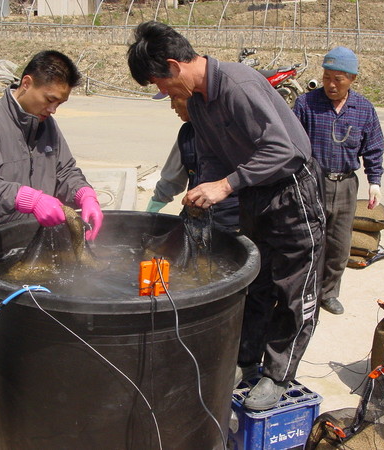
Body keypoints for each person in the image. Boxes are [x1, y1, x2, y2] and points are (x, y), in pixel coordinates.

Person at [128, 21, 325, 411]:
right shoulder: (199, 103)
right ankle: (247, 359)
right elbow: (213, 155)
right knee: (255, 282)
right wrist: (203, 189)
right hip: (253, 195)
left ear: (173, 65)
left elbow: (285, 151)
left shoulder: (238, 86)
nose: (162, 91)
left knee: (293, 289)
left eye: (159, 82)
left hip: (291, 194)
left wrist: (226, 185)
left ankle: (277, 375)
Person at [0, 50, 103, 447]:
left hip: (35, 249)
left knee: (39, 342)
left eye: (61, 103)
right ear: (26, 83)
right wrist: (26, 198)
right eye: (49, 99)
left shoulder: (47, 127)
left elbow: (66, 170)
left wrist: (84, 193)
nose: (53, 109)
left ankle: (38, 416)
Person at [293, 47, 384, 315]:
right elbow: (291, 144)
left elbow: (374, 147)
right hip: (312, 182)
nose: (331, 84)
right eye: (327, 77)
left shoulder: (363, 109)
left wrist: (374, 181)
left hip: (345, 185)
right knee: (309, 241)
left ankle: (329, 293)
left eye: (339, 79)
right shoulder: (305, 104)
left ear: (352, 79)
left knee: (339, 245)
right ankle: (303, 291)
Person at [147, 95, 239, 233]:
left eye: (175, 98)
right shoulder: (187, 133)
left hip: (233, 222)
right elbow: (172, 179)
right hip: (194, 218)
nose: (172, 106)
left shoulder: (232, 131)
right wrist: (153, 208)